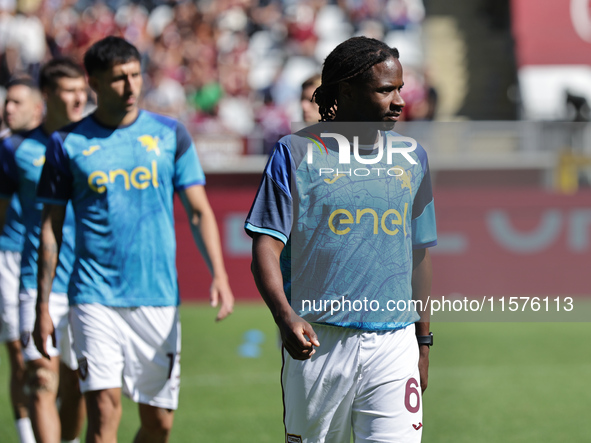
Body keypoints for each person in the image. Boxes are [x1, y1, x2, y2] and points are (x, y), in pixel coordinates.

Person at [33, 36, 234, 443]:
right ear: (94, 82)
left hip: (157, 297)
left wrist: (220, 275)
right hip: (93, 296)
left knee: (159, 425)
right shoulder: (66, 143)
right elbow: (50, 227)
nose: (130, 87)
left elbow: (199, 211)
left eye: (135, 76)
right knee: (104, 414)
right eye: (118, 78)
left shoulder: (170, 134)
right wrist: (42, 304)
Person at [245, 36, 437, 442]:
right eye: (386, 90)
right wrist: (285, 317)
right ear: (347, 92)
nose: (400, 101)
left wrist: (422, 342)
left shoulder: (412, 157)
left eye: (401, 88)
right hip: (319, 340)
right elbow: (266, 245)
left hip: (395, 343)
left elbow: (419, 255)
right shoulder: (294, 153)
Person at [0, 59, 88, 443]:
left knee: (75, 385)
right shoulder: (14, 149)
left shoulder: (93, 143)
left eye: (82, 91)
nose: (78, 99)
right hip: (34, 276)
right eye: (69, 91)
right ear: (49, 97)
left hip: (86, 282)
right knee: (37, 373)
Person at [0, 76, 42, 443]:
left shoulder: (55, 144)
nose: (7, 108)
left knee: (47, 359)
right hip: (9, 258)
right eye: (6, 102)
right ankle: (27, 436)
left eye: (16, 102)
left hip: (46, 259)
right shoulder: (4, 148)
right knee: (18, 353)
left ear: (36, 107)